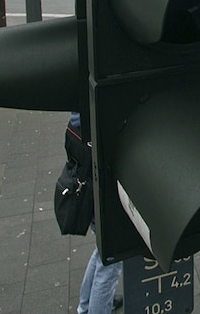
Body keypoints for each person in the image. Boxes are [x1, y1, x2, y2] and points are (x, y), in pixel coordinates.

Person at [70, 112, 123, 314]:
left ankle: (85, 306)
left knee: (103, 250)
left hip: (89, 179)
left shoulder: (79, 115)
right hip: (101, 185)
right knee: (112, 257)